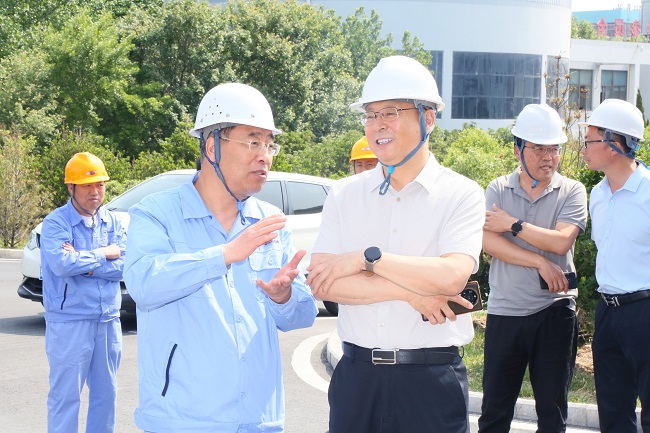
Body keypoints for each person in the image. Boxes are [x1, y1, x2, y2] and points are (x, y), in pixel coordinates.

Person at [123, 82, 318, 433]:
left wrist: (284, 297)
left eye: (270, 144)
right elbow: (145, 283)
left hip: (259, 421)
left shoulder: (269, 221)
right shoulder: (157, 213)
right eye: (253, 142)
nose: (265, 155)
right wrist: (224, 255)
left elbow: (303, 316)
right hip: (182, 422)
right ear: (212, 146)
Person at [307, 55, 485, 433]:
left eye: (391, 112)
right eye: (370, 115)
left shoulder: (461, 194)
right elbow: (323, 282)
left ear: (428, 118)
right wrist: (411, 294)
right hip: (357, 380)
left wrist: (365, 259)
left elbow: (452, 276)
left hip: (431, 382)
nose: (378, 125)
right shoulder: (344, 195)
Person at [478, 104, 587, 433]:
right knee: (494, 413)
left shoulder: (572, 190)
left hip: (555, 311)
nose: (548, 157)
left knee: (552, 414)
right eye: (539, 149)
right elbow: (488, 241)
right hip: (506, 311)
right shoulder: (498, 188)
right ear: (518, 150)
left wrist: (512, 224)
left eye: (554, 149)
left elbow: (561, 242)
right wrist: (538, 261)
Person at [40, 152, 126, 433]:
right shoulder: (56, 223)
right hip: (70, 320)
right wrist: (104, 253)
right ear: (71, 187)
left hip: (108, 319)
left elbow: (126, 266)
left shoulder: (113, 222)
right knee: (65, 396)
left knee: (106, 394)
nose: (95, 191)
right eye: (87, 185)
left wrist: (85, 264)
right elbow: (62, 264)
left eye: (100, 184)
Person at [580, 98, 650, 433]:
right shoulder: (598, 194)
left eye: (589, 141)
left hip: (645, 311)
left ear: (614, 144)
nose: (583, 149)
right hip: (608, 312)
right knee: (613, 411)